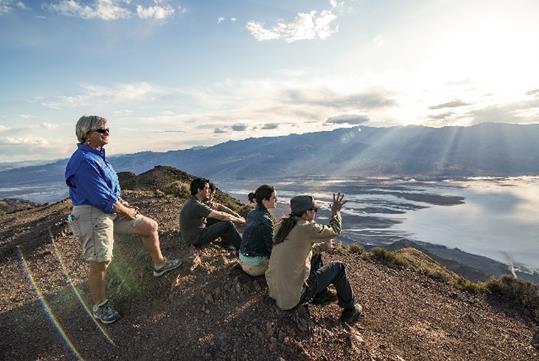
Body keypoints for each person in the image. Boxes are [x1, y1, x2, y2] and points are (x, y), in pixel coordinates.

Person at [65, 116, 181, 324]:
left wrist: (122, 205)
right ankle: (100, 306)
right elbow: (100, 198)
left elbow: (109, 192)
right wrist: (126, 211)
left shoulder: (97, 156)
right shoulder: (83, 161)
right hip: (92, 214)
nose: (106, 132)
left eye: (107, 129)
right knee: (101, 260)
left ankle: (159, 265)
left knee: (149, 226)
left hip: (110, 209)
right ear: (86, 134)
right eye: (101, 130)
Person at [265, 193, 363, 324]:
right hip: (292, 299)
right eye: (314, 210)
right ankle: (350, 309)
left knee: (316, 256)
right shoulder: (307, 227)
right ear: (306, 213)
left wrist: (322, 247)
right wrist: (335, 212)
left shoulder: (284, 225)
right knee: (338, 268)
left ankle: (321, 295)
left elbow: (298, 250)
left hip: (275, 292)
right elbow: (335, 230)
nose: (315, 213)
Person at [180, 178, 245, 249]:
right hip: (196, 240)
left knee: (215, 219)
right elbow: (223, 216)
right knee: (228, 224)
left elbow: (219, 211)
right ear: (199, 190)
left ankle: (226, 243)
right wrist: (239, 220)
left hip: (191, 237)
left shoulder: (192, 200)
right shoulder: (197, 205)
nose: (209, 191)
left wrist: (235, 216)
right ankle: (243, 249)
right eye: (207, 188)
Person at [239, 185, 277, 276]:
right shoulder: (264, 219)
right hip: (255, 266)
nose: (277, 200)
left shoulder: (251, 213)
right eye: (274, 198)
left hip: (243, 259)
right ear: (264, 200)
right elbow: (271, 247)